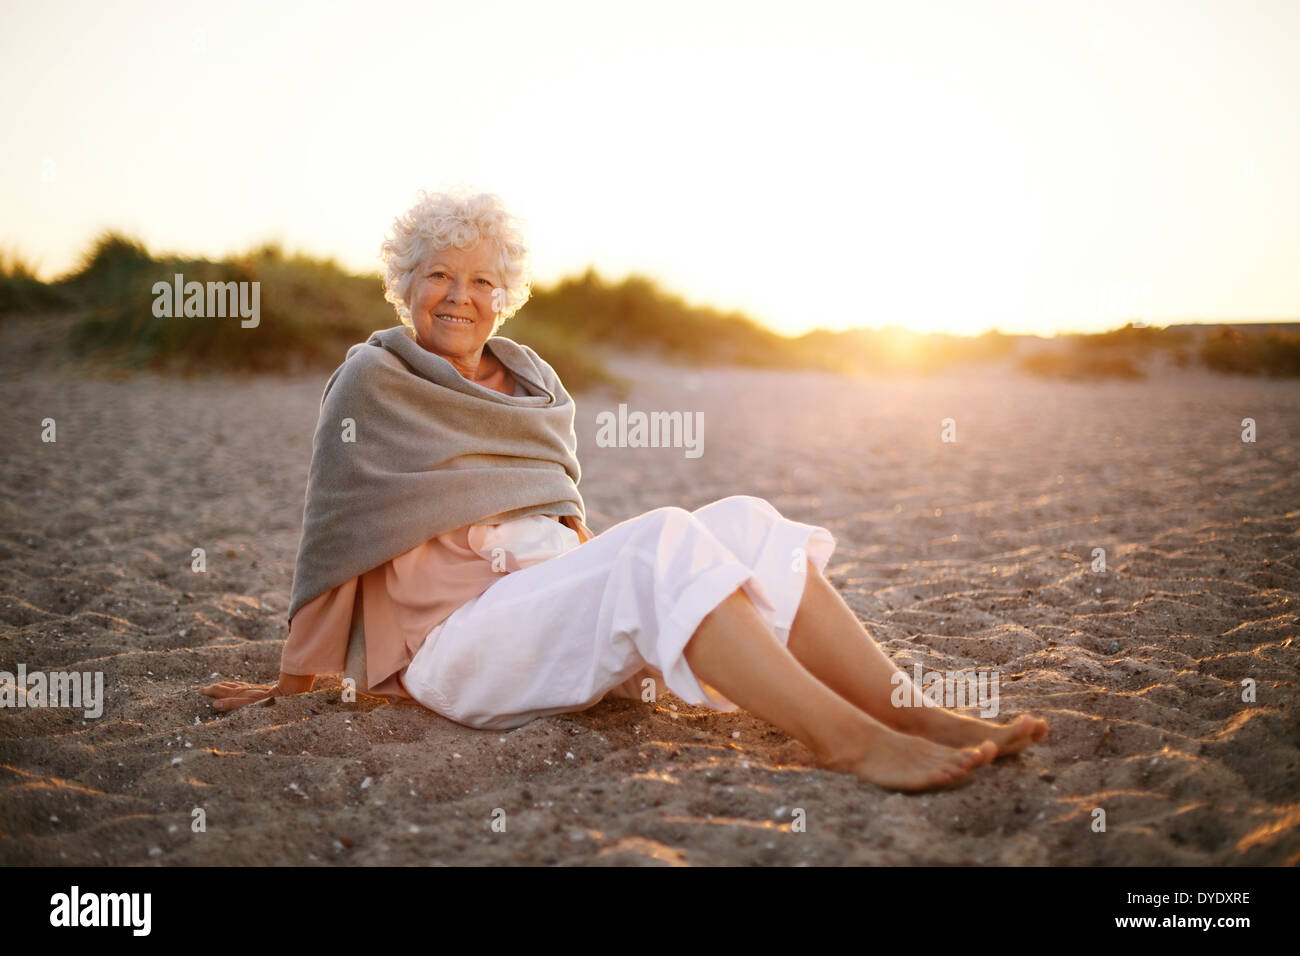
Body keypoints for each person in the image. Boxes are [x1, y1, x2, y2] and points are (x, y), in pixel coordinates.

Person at [199, 189, 1047, 791]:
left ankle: (918, 714)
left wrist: (613, 588)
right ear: (406, 282)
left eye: (482, 280)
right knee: (663, 535)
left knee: (747, 519)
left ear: (507, 296)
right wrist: (301, 678)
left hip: (541, 612)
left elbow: (559, 524)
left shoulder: (530, 383)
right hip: (456, 650)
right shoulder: (373, 379)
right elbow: (335, 532)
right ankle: (848, 740)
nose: (460, 296)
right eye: (439, 276)